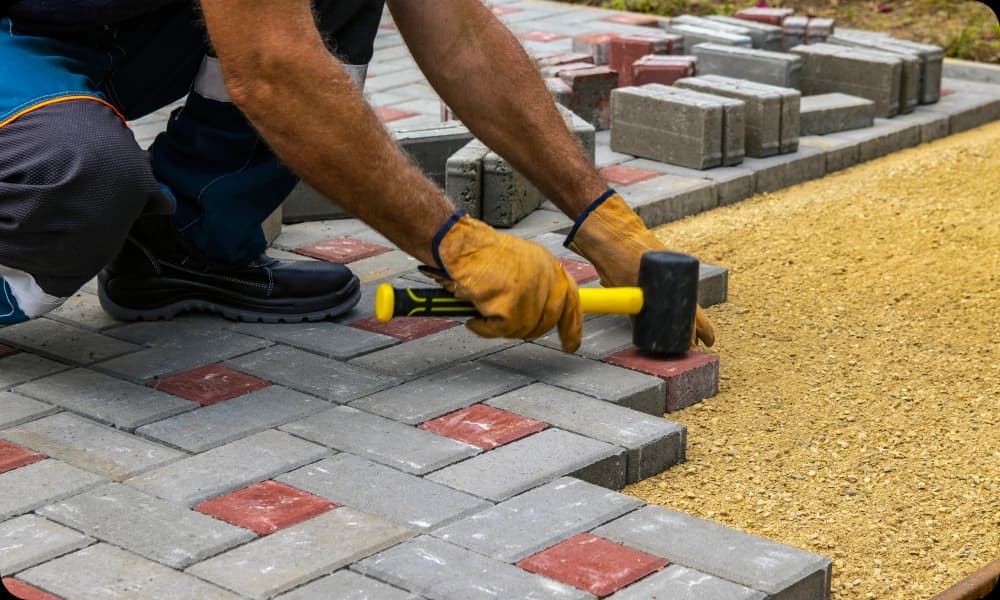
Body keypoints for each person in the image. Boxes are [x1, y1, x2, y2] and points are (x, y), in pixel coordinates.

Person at [0, 0, 714, 352]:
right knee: (82, 177)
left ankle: (189, 248)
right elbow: (273, 71)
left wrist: (598, 212)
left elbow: (459, 34)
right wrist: (458, 245)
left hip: (109, 23)